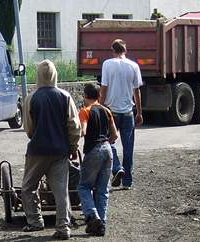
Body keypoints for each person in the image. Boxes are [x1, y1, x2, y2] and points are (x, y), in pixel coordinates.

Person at [21, 59, 81, 240]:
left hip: (37, 151)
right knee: (61, 191)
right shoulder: (65, 96)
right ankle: (63, 227)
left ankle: (35, 221)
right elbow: (74, 126)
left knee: (28, 187)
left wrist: (35, 136)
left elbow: (28, 128)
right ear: (55, 74)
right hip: (60, 151)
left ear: (39, 75)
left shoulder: (31, 98)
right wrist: (72, 146)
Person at [99, 39, 143, 190]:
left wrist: (99, 106)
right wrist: (140, 112)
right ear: (125, 50)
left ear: (113, 50)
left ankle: (117, 168)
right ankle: (127, 182)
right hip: (128, 112)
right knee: (128, 147)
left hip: (111, 112)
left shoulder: (107, 64)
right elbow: (137, 92)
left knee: (107, 142)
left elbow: (104, 87)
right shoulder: (134, 66)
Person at [78, 84, 118, 236]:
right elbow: (115, 134)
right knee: (102, 190)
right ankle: (101, 225)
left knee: (84, 186)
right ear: (99, 96)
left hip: (93, 150)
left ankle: (92, 215)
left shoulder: (85, 111)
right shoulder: (106, 110)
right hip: (108, 149)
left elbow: (83, 130)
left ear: (85, 96)